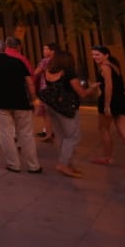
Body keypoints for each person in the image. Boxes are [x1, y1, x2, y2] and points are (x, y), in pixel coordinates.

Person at [0, 38, 40, 173]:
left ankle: (13, 164)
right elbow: (29, 82)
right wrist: (33, 98)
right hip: (21, 102)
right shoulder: (17, 62)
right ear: (3, 48)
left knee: (6, 134)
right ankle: (34, 165)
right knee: (26, 134)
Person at [89, 45, 125, 170]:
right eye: (93, 55)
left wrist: (107, 105)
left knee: (103, 128)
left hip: (111, 101)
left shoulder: (105, 67)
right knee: (123, 131)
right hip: (121, 100)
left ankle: (107, 157)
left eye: (97, 54)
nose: (94, 57)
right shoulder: (114, 66)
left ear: (106, 55)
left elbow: (109, 87)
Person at [40, 49, 90, 177]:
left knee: (61, 135)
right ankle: (63, 164)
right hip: (66, 108)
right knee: (73, 136)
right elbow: (81, 93)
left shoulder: (48, 71)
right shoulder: (68, 73)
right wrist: (92, 88)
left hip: (52, 106)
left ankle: (67, 163)